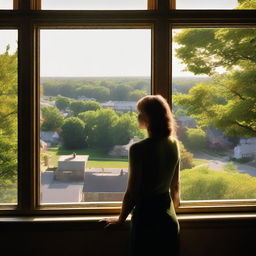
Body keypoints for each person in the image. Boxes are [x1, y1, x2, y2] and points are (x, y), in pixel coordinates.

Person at [101, 95, 180, 256]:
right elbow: (175, 185)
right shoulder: (174, 143)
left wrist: (120, 219)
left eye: (141, 113)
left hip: (147, 221)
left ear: (150, 118)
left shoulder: (139, 149)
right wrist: (175, 207)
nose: (138, 117)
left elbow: (133, 191)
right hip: (169, 221)